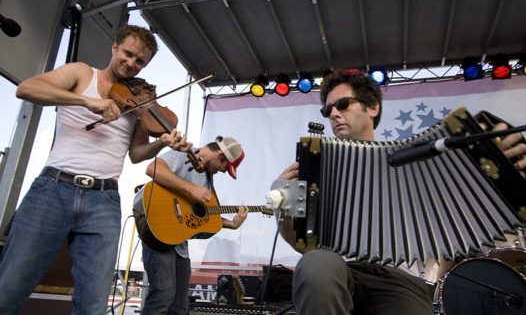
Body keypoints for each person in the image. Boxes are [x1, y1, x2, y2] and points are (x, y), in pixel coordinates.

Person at [276, 69, 526, 315]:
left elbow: (464, 214)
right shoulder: (317, 171)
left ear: (372, 107)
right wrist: (285, 210)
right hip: (338, 269)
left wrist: (500, 166)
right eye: (327, 110)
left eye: (342, 104)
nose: (333, 114)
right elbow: (305, 247)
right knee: (315, 264)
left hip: (400, 280)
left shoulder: (418, 161)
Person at [0, 24, 186, 315]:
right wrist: (87, 100)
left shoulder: (138, 100)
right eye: (128, 54)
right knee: (10, 286)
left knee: (94, 304)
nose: (131, 63)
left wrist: (161, 143)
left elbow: (137, 154)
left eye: (140, 61)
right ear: (114, 47)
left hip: (104, 200)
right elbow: (27, 89)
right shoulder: (81, 73)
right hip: (53, 188)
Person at [135, 135, 249, 315]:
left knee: (180, 305)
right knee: (162, 297)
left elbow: (202, 217)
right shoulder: (184, 153)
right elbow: (153, 168)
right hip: (159, 232)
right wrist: (191, 189)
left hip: (179, 243)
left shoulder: (207, 178)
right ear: (220, 154)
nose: (222, 171)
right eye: (225, 167)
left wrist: (232, 224)